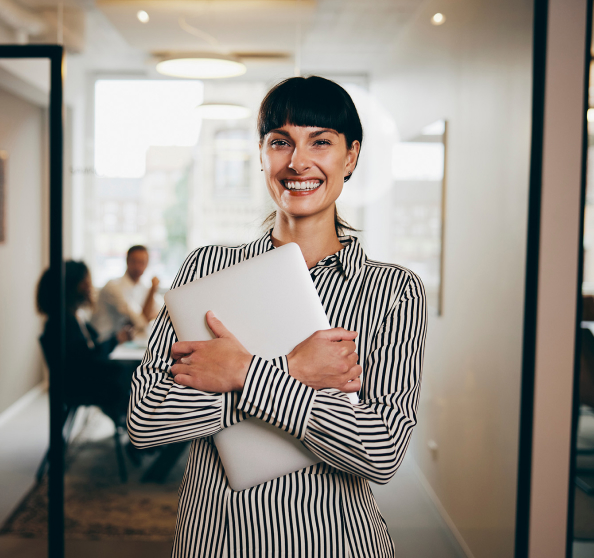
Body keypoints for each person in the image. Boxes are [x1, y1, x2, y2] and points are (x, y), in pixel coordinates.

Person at [128, 76, 427, 558]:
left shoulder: (393, 291)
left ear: (350, 157)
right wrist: (292, 371)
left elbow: (382, 450)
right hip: (215, 542)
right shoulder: (205, 269)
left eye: (321, 142)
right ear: (263, 155)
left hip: (336, 544)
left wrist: (245, 374)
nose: (298, 161)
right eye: (280, 142)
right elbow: (146, 420)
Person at [37, 261, 132, 417]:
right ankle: (139, 423)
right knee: (132, 373)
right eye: (85, 282)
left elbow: (89, 352)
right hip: (81, 385)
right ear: (71, 285)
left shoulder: (73, 316)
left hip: (84, 378)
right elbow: (88, 360)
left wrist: (115, 339)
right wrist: (115, 340)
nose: (90, 287)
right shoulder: (62, 323)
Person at [91, 245, 160, 342]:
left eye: (142, 262)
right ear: (127, 261)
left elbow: (160, 312)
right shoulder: (113, 287)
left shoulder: (142, 286)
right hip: (103, 342)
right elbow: (141, 321)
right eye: (134, 261)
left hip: (122, 342)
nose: (138, 266)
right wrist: (153, 289)